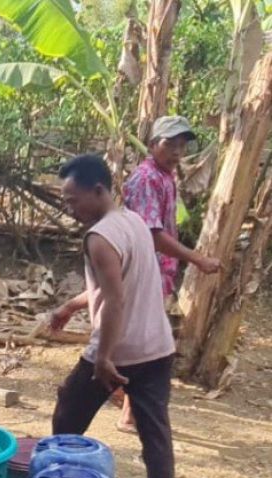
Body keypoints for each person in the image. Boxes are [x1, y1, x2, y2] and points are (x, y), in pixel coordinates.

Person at [48, 154, 179, 478]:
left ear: (98, 190)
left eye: (73, 200)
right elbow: (117, 286)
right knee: (156, 434)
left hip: (118, 350)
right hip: (157, 347)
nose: (69, 209)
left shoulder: (99, 237)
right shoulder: (133, 222)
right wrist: (71, 305)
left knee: (67, 416)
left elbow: (116, 300)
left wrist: (104, 357)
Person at [117, 115, 221, 432]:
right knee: (144, 345)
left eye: (181, 145)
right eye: (169, 144)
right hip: (143, 274)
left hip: (155, 275)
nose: (177, 151)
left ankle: (126, 404)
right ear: (152, 145)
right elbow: (152, 233)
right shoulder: (148, 178)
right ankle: (129, 413)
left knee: (139, 342)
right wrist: (197, 259)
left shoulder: (164, 178)